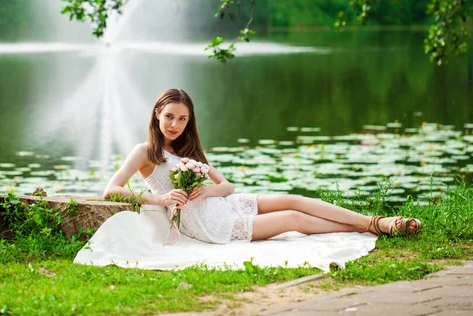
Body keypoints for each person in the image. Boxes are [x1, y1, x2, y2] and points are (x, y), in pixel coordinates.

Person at [103, 88, 421, 244]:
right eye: (169, 116)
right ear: (157, 113)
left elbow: (227, 186)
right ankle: (376, 226)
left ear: (189, 121)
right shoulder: (145, 151)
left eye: (182, 119)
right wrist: (159, 199)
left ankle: (370, 222)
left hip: (222, 205)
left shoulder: (189, 150)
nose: (175, 124)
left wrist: (207, 190)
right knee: (293, 219)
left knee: (291, 199)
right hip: (208, 226)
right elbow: (111, 191)